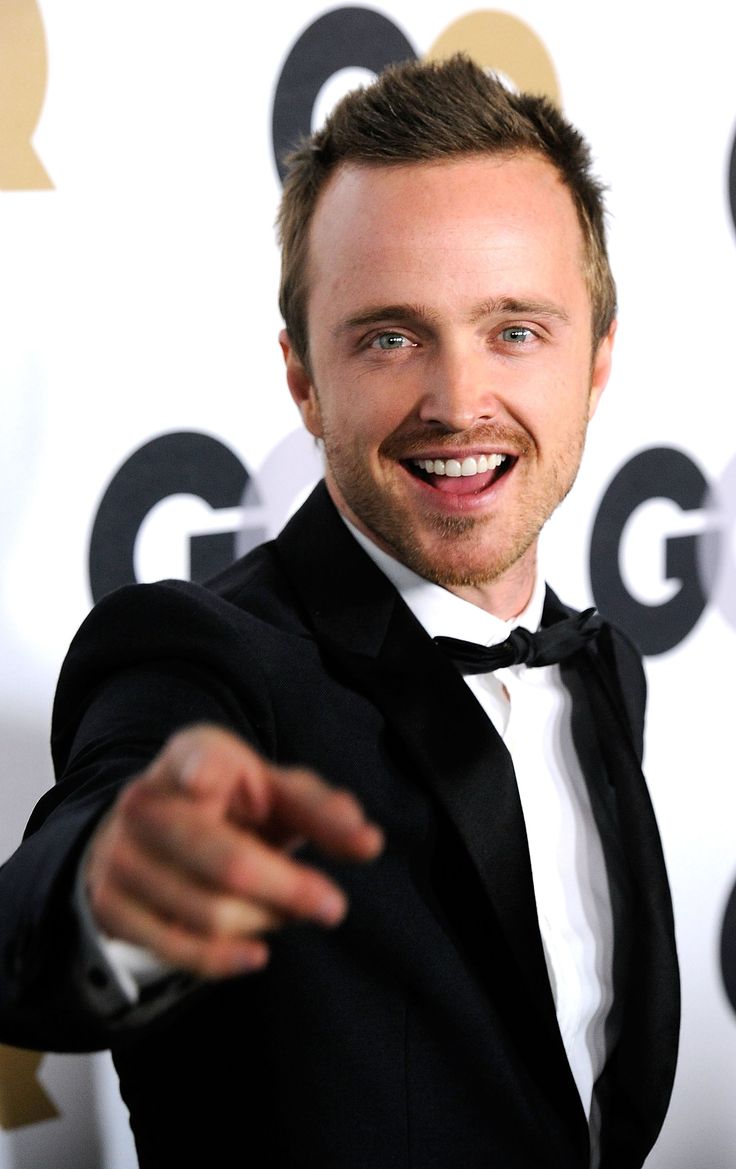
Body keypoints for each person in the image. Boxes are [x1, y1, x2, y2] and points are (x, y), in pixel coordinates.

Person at [0, 54, 678, 1169]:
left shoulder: (605, 666)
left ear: (597, 360)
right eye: (389, 336)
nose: (459, 401)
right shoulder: (203, 659)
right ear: (304, 379)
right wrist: (108, 891)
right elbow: (53, 902)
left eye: (515, 329)